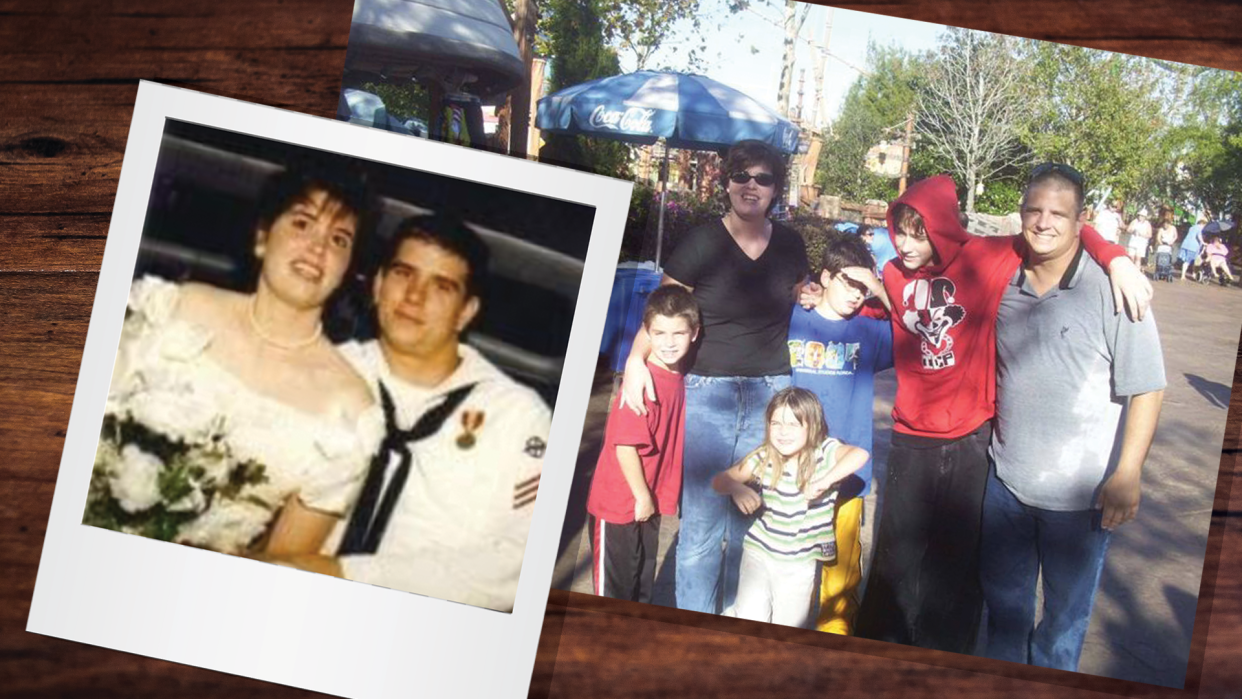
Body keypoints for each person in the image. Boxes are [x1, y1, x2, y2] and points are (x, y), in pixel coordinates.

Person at [851, 169, 1151, 654]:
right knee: (898, 560)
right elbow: (879, 305)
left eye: (918, 231)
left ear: (942, 228)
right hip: (911, 437)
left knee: (956, 568)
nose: (905, 244)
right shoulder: (892, 275)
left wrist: (1115, 257)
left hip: (972, 439)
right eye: (899, 231)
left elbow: (1052, 227)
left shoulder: (985, 258)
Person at [101, 167, 382, 556]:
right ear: (263, 238)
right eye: (302, 223)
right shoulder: (178, 308)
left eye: (339, 239)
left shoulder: (351, 409)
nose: (318, 248)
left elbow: (281, 561)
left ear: (348, 269)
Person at [298, 214, 551, 612]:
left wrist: (345, 575)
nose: (414, 296)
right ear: (379, 284)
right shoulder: (318, 375)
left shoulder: (518, 418)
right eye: (403, 273)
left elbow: (519, 564)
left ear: (466, 311)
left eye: (442, 286)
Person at [980, 167, 1166, 671]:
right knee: (1004, 612)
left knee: (1063, 624)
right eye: (1033, 210)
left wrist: (1129, 473)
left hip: (1080, 501)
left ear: (1081, 220)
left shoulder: (1115, 290)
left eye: (1058, 213)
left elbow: (1147, 387)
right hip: (1006, 485)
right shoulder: (1004, 281)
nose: (1042, 223)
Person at [621, 140, 807, 615]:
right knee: (703, 528)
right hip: (708, 393)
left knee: (753, 527)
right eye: (742, 175)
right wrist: (636, 362)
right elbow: (662, 310)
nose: (751, 185)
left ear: (776, 189)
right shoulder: (703, 242)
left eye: (763, 178)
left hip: (771, 397)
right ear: (726, 183)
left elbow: (809, 298)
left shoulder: (789, 244)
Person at [788, 231, 892, 635]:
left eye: (865, 288)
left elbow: (915, 328)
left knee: (840, 574)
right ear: (826, 277)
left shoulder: (870, 334)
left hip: (847, 477)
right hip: (791, 475)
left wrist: (880, 289)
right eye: (851, 282)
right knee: (789, 568)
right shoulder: (794, 319)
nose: (858, 295)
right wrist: (799, 289)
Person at [711, 387, 868, 628]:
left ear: (812, 426)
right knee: (749, 617)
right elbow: (719, 481)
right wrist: (737, 489)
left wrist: (824, 481)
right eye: (776, 424)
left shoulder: (824, 452)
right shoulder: (764, 456)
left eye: (793, 424)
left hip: (799, 564)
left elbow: (859, 454)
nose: (783, 432)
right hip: (759, 553)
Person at [586, 286, 699, 602]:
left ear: (694, 333)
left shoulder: (678, 377)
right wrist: (642, 497)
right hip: (621, 502)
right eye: (659, 333)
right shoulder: (642, 382)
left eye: (679, 333)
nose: (669, 342)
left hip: (648, 501)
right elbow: (625, 447)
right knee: (614, 591)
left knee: (640, 586)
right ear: (646, 333)